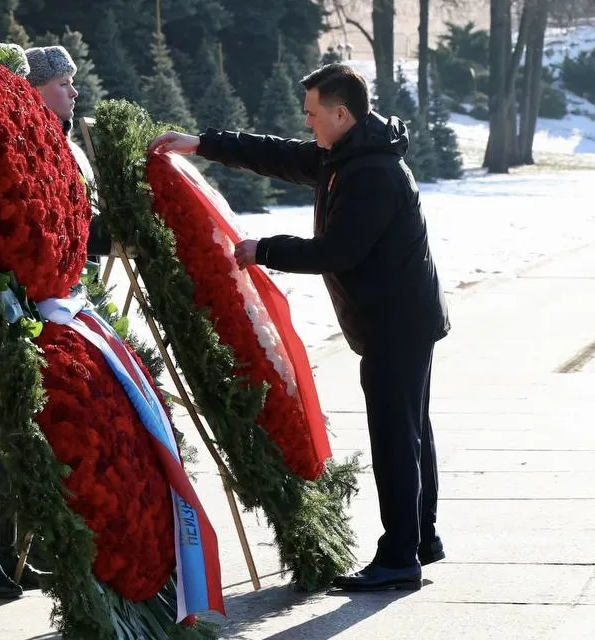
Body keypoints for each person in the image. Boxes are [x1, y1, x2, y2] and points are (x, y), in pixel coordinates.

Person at [148, 63, 450, 592]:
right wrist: (203, 143)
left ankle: (401, 555)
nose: (307, 123)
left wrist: (264, 250)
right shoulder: (347, 154)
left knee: (397, 438)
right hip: (397, 319)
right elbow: (281, 155)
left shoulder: (372, 173)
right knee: (411, 430)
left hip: (395, 323)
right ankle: (420, 537)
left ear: (341, 113)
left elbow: (339, 251)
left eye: (313, 114)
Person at [0, 44, 111, 600]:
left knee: (28, 428)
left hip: (49, 304)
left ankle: (20, 553)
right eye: (63, 84)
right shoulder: (9, 141)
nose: (73, 93)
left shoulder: (59, 145)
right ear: (34, 90)